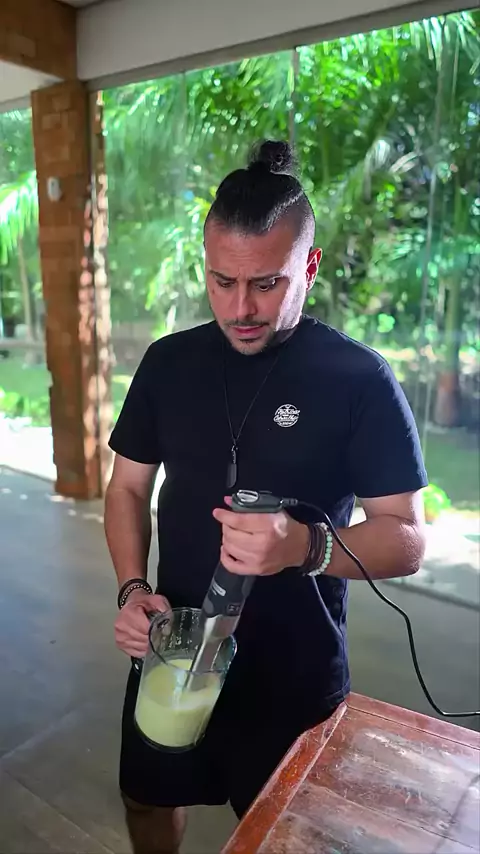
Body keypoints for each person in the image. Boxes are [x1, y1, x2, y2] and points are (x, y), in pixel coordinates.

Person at [105, 139, 428, 854]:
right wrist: (132, 589)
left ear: (309, 267)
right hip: (175, 648)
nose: (241, 307)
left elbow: (406, 538)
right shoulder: (167, 363)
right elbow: (126, 487)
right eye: (222, 281)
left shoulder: (358, 380)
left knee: (287, 831)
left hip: (294, 669)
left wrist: (305, 547)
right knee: (147, 800)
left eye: (267, 283)